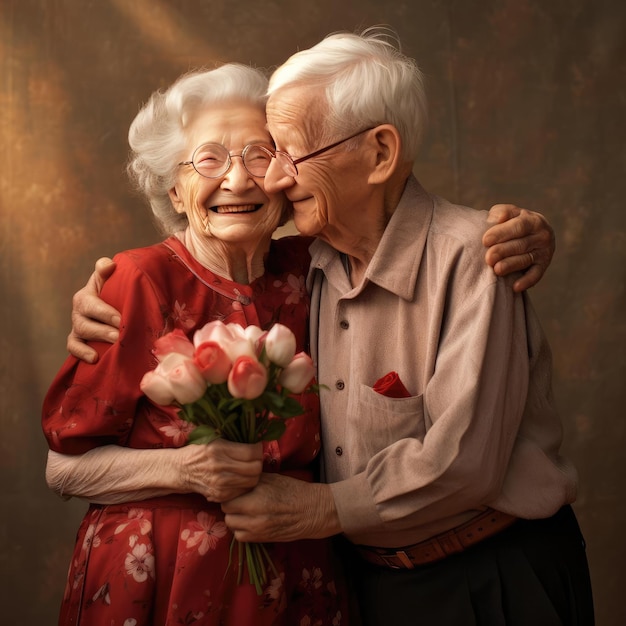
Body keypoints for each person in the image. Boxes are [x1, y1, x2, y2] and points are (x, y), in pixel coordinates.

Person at [61, 30, 579, 625]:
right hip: (305, 584)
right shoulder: (293, 266)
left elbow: (464, 461)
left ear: (380, 154)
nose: (265, 179)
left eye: (273, 153)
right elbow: (68, 458)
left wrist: (532, 232)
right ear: (174, 188)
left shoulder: (444, 259)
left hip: (482, 575)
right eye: (216, 158)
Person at [42, 64, 349, 626]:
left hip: (296, 566)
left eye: (259, 155)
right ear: (175, 190)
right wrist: (187, 468)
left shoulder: (316, 269)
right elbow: (63, 470)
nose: (237, 181)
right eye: (209, 159)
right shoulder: (138, 280)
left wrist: (519, 232)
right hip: (159, 577)